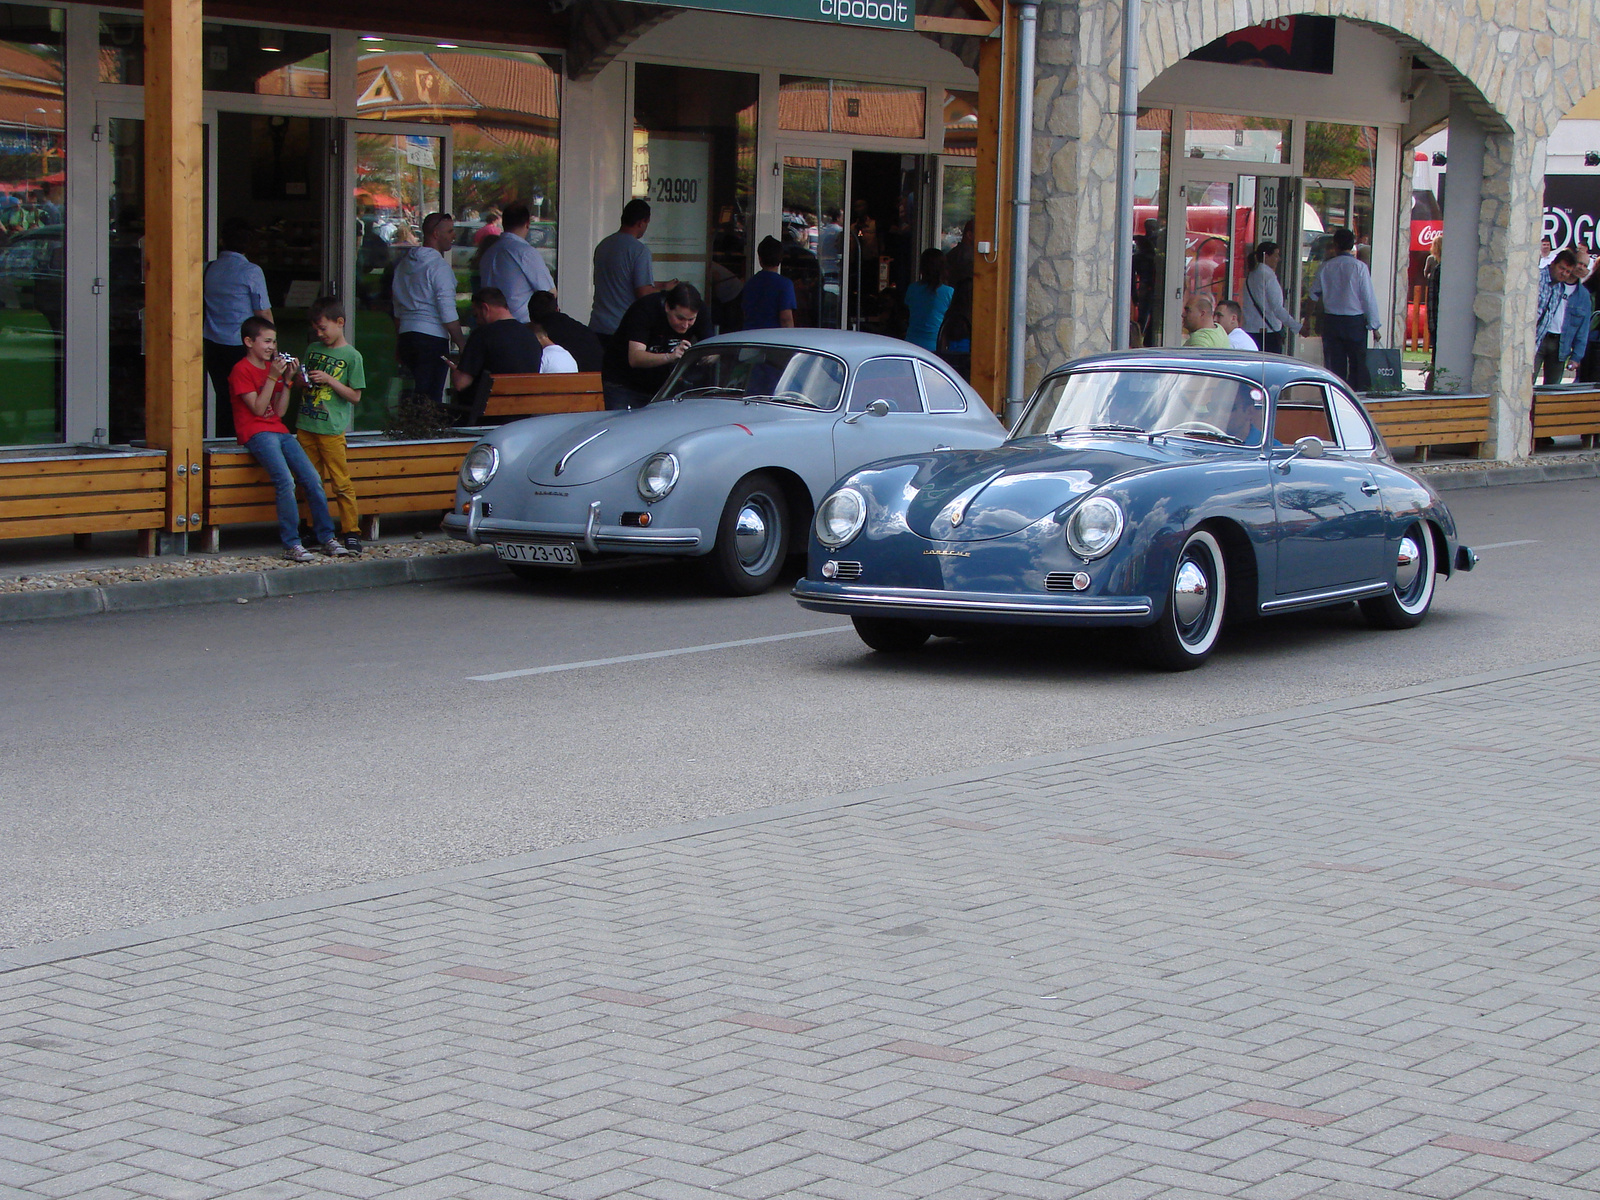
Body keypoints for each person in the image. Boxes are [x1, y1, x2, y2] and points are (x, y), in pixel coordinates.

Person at [228, 316, 350, 562]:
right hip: (256, 432)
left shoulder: (269, 368)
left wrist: (286, 382)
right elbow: (258, 410)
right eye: (267, 341)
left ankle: (326, 537)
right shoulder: (241, 370)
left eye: (274, 342)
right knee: (285, 481)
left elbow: (280, 412)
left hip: (278, 430)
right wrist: (273, 377)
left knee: (313, 479)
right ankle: (291, 543)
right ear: (249, 342)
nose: (272, 347)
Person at [295, 297, 366, 555]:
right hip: (306, 423)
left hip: (332, 429)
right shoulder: (312, 349)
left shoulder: (351, 356)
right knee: (307, 481)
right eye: (316, 329)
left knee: (340, 482)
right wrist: (301, 381)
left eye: (323, 328)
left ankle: (351, 530)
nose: (320, 333)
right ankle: (311, 527)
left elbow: (355, 396)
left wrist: (329, 380)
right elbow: (303, 381)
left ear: (340, 323)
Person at [204, 218, 272, 440]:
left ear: (223, 240)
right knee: (249, 400)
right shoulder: (251, 271)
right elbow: (263, 312)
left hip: (212, 343)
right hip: (242, 345)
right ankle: (246, 444)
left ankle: (223, 443)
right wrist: (273, 345)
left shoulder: (208, 268)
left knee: (223, 398)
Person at [390, 212, 464, 409]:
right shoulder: (439, 268)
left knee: (411, 398)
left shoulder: (404, 264)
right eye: (449, 231)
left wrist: (400, 340)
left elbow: (397, 308)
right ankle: (427, 437)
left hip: (407, 336)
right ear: (435, 234)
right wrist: (462, 344)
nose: (454, 236)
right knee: (430, 400)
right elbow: (448, 313)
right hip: (432, 340)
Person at [602, 282, 710, 410]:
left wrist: (698, 356)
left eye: (691, 320)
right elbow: (635, 357)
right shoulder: (645, 309)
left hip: (662, 388)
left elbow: (713, 349)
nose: (685, 325)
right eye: (680, 318)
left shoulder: (700, 310)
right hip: (623, 383)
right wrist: (670, 356)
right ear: (667, 308)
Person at [451, 287, 544, 420]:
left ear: (485, 308)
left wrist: (457, 371)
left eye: (476, 315)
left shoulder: (483, 334)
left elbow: (461, 383)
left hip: (483, 417)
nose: (477, 321)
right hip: (520, 418)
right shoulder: (531, 337)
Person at [589, 199, 672, 347]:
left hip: (598, 325)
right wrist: (667, 290)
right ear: (641, 222)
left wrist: (662, 284)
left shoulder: (603, 246)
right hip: (623, 327)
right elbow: (643, 293)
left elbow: (621, 279)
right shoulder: (639, 251)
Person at [1309, 227, 1382, 390]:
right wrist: (1374, 325)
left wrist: (1308, 320)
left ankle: (1336, 396)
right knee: (1358, 365)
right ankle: (1357, 397)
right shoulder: (1359, 267)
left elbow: (1313, 295)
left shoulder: (1326, 267)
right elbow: (1367, 298)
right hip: (1354, 322)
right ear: (1353, 245)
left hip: (1332, 321)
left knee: (1334, 366)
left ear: (1335, 244)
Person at [478, 202, 554, 323]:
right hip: (521, 325)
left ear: (503, 223)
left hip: (491, 325)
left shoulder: (489, 253)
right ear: (527, 224)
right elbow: (548, 293)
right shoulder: (525, 253)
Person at [1534, 248, 1589, 385]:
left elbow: (1583, 328)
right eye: (1579, 263)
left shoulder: (1583, 296)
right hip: (1540, 337)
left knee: (1553, 388)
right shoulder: (1552, 283)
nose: (1581, 268)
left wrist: (1576, 356)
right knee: (1528, 382)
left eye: (1585, 266)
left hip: (1561, 344)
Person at [1241, 241, 1300, 354]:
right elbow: (1277, 308)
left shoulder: (1251, 275)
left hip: (1250, 330)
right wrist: (1296, 326)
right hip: (1268, 333)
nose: (1278, 259)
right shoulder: (1268, 277)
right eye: (1276, 255)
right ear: (1266, 256)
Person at [529, 290, 604, 372]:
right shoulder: (582, 330)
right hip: (596, 378)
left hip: (570, 380)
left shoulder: (539, 339)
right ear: (557, 309)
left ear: (530, 316)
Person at [903, 248, 955, 353]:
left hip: (911, 344)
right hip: (935, 346)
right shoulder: (949, 292)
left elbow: (906, 315)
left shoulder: (912, 289)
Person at [742, 236, 796, 330]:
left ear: (760, 259)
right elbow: (785, 319)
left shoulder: (750, 283)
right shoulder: (785, 285)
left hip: (750, 336)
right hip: (772, 338)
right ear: (780, 259)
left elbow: (745, 313)